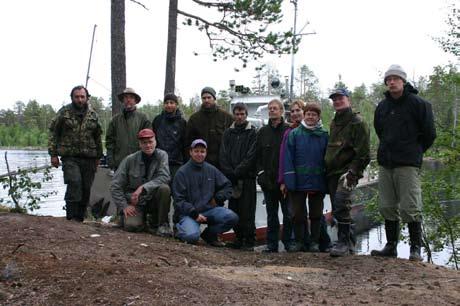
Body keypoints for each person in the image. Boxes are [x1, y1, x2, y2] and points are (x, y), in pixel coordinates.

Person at [371, 64, 436, 261]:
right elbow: (379, 130)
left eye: (395, 79)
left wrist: (414, 151)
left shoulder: (419, 104)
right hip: (386, 163)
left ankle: (415, 249)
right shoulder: (382, 106)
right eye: (388, 79)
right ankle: (391, 246)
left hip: (408, 163)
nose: (391, 82)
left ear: (403, 81)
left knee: (410, 207)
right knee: (387, 205)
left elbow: (430, 134)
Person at [325, 88, 370, 257]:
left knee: (341, 202)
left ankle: (343, 242)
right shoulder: (334, 122)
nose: (337, 101)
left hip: (347, 172)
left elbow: (363, 152)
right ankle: (350, 244)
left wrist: (353, 173)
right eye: (334, 99)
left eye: (340, 98)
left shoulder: (357, 121)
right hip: (332, 172)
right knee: (337, 208)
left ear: (348, 100)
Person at [48, 85, 103, 222]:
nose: (79, 99)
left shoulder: (93, 115)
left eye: (82, 97)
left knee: (86, 188)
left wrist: (98, 157)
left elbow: (97, 137)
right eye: (76, 97)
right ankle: (71, 217)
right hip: (70, 157)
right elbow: (53, 133)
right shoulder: (64, 112)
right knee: (74, 182)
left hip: (89, 157)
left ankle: (80, 218)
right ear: (72, 98)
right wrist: (53, 154)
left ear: (87, 98)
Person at [173, 139, 238, 247]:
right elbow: (179, 200)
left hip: (208, 210)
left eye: (202, 151)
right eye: (196, 151)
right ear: (191, 152)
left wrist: (218, 198)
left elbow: (228, 186)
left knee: (232, 217)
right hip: (189, 213)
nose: (199, 154)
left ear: (206, 153)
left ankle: (209, 235)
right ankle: (179, 230)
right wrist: (194, 214)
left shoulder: (212, 170)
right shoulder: (182, 172)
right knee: (192, 237)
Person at [283, 102, 329, 252]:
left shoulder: (324, 135)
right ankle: (300, 241)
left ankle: (314, 242)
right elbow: (288, 158)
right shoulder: (294, 134)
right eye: (308, 114)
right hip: (298, 181)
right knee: (298, 214)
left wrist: (326, 179)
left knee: (316, 213)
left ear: (318, 117)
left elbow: (327, 158)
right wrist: (290, 180)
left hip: (317, 180)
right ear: (305, 114)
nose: (310, 117)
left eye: (313, 115)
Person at [110, 129, 172, 235]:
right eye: (144, 143)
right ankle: (139, 220)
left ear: (155, 141)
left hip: (153, 199)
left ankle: (162, 224)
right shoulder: (129, 160)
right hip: (135, 202)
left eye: (150, 142)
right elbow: (115, 185)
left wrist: (143, 188)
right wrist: (124, 206)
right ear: (139, 144)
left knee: (165, 189)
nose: (148, 145)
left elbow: (165, 176)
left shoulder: (162, 155)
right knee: (132, 226)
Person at [256, 99, 294, 252]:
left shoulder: (289, 130)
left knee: (288, 214)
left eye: (275, 108)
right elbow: (257, 155)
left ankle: (288, 242)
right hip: (268, 181)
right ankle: (272, 244)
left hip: (284, 181)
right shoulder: (262, 132)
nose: (272, 111)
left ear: (281, 111)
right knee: (271, 215)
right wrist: (260, 173)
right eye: (270, 108)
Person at [219, 103, 257, 250]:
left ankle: (249, 240)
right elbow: (223, 154)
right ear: (233, 115)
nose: (240, 117)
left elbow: (251, 156)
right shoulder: (228, 133)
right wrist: (229, 172)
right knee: (234, 209)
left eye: (242, 114)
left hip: (247, 177)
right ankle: (238, 238)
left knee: (247, 211)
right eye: (237, 114)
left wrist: (238, 171)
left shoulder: (252, 132)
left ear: (246, 115)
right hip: (232, 178)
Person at [185, 87, 233, 169]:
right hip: (200, 162)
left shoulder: (226, 117)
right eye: (204, 98)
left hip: (222, 164)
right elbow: (187, 142)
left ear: (214, 98)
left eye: (209, 97)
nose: (206, 100)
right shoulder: (194, 119)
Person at [106, 88, 151, 170]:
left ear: (135, 101)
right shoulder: (115, 120)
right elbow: (110, 141)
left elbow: (148, 141)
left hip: (138, 163)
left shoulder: (143, 118)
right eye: (126, 97)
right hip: (119, 163)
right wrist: (110, 159)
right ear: (123, 100)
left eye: (131, 97)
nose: (128, 100)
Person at [152, 93, 187, 180]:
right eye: (166, 103)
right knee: (162, 188)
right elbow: (153, 139)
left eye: (172, 103)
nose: (169, 105)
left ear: (176, 105)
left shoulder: (182, 122)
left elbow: (185, 143)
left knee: (176, 186)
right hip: (160, 161)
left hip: (177, 162)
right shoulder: (158, 120)